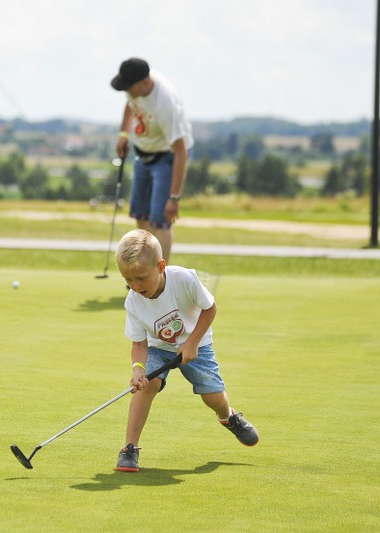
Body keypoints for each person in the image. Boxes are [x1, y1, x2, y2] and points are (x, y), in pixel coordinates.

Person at [113, 229, 258, 472]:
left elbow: (209, 309)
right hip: (158, 348)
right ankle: (129, 447)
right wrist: (138, 369)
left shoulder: (185, 279)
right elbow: (139, 344)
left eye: (141, 278)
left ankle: (228, 417)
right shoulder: (133, 301)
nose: (135, 286)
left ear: (160, 266)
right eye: (128, 280)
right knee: (147, 386)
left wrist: (191, 343)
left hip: (197, 344)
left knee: (213, 398)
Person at [111, 58, 194, 261]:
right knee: (140, 215)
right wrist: (124, 135)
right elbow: (130, 105)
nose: (126, 92)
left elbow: (181, 152)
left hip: (167, 157)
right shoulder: (136, 89)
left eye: (128, 87)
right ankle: (145, 271)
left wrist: (174, 198)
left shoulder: (166, 104)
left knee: (160, 220)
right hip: (143, 154)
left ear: (145, 83)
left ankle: (160, 280)